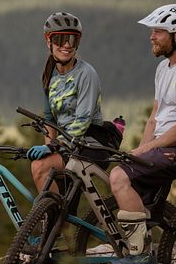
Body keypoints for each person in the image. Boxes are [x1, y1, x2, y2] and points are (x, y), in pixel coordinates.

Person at [108, 4, 176, 264]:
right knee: (129, 182)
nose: (151, 36)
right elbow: (155, 117)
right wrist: (140, 149)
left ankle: (141, 255)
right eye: (152, 31)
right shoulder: (164, 69)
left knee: (119, 177)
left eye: (159, 31)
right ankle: (149, 239)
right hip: (167, 145)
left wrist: (143, 152)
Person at [26, 12, 120, 193]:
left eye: (72, 39)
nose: (67, 45)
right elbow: (49, 119)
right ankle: (55, 218)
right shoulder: (49, 75)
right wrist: (49, 146)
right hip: (66, 145)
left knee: (39, 168)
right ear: (49, 42)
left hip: (90, 144)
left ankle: (50, 214)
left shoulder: (86, 73)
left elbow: (82, 123)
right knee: (64, 213)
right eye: (61, 39)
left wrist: (52, 147)